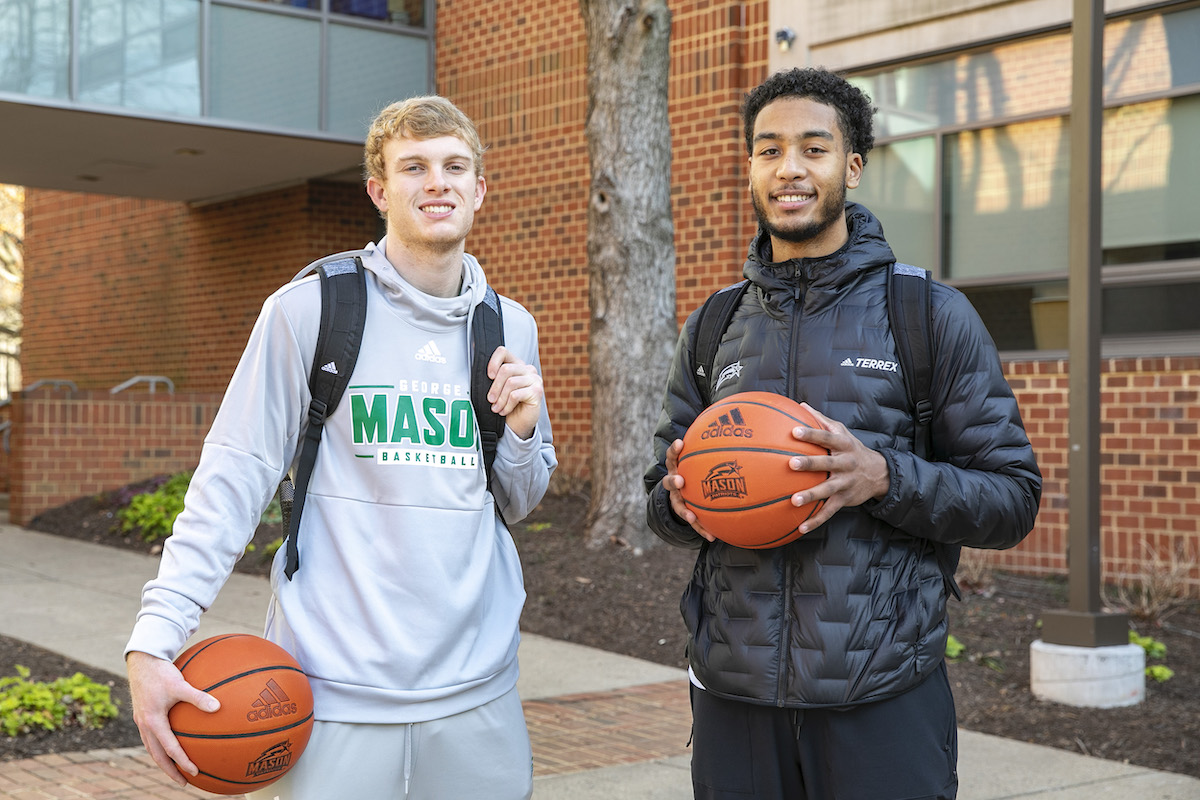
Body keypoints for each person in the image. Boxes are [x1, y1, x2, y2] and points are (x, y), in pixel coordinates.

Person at [125, 95, 557, 800]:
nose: (437, 182)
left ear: (480, 189)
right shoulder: (310, 310)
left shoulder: (509, 325)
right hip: (334, 696)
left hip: (480, 696)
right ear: (379, 191)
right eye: (413, 167)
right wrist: (155, 637)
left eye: (455, 166)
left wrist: (523, 431)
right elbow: (234, 477)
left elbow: (517, 496)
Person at [644, 67, 1042, 800]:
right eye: (768, 150)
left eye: (813, 148)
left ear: (852, 165)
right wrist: (679, 499)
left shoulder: (925, 314)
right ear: (752, 167)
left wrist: (884, 476)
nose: (789, 167)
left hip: (883, 694)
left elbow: (1012, 498)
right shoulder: (714, 325)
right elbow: (660, 497)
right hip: (736, 697)